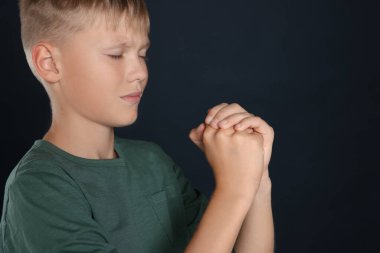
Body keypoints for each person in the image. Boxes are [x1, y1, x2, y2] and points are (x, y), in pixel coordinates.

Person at [0, 0, 275, 252]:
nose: (140, 73)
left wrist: (256, 180)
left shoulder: (152, 161)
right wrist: (233, 191)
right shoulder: (38, 187)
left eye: (142, 54)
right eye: (116, 55)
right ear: (49, 63)